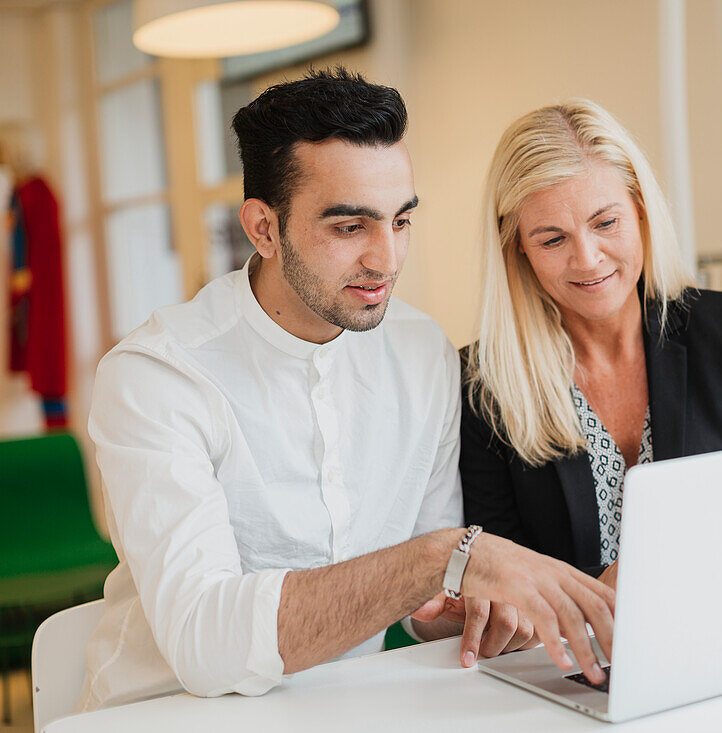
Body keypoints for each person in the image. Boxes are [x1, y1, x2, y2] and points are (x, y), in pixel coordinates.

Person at [79, 70, 612, 713]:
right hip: (163, 715)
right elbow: (204, 645)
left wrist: (479, 610)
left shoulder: (423, 353)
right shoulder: (156, 376)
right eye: (349, 227)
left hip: (349, 706)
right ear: (263, 229)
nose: (387, 260)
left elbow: (422, 608)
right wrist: (444, 558)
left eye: (401, 220)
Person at [461, 99, 722, 585]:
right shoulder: (483, 384)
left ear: (641, 213)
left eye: (606, 223)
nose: (587, 260)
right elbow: (497, 576)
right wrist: (598, 590)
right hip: (575, 658)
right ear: (518, 249)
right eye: (552, 239)